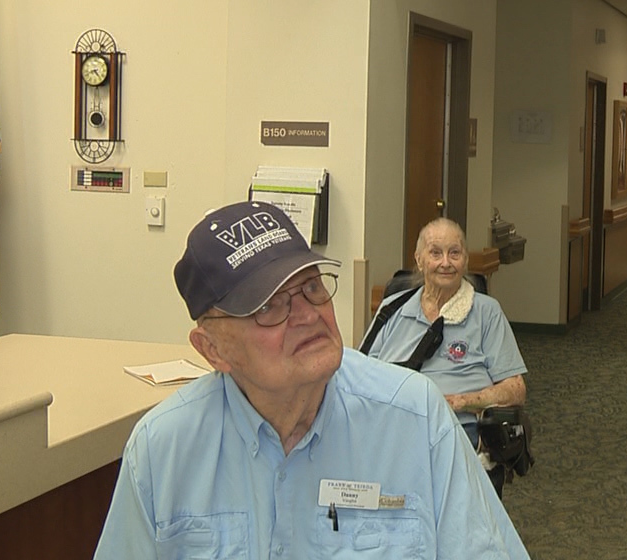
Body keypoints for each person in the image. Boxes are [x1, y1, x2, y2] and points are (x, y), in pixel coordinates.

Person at [94, 201, 528, 559]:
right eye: (267, 306)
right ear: (213, 349)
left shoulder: (415, 420)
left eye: (313, 287)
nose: (307, 314)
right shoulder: (163, 450)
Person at [365, 218, 528, 494]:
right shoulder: (391, 309)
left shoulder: (486, 312)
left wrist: (459, 402)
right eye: (435, 253)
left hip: (458, 433)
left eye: (455, 253)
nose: (446, 263)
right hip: (395, 431)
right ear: (419, 260)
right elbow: (363, 375)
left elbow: (516, 389)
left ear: (465, 260)